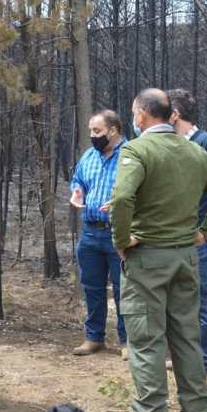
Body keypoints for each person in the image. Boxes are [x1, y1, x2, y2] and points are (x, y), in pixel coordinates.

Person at [110, 89, 207, 412]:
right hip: (185, 257)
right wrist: (203, 231)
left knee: (146, 342)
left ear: (141, 116)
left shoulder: (137, 150)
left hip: (147, 258)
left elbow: (121, 199)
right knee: (186, 338)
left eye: (134, 113)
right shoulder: (194, 150)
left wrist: (121, 239)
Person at [167, 88, 207, 387]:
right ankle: (183, 356)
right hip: (170, 236)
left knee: (203, 299)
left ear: (175, 114)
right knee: (177, 300)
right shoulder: (167, 144)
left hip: (197, 239)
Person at [69, 110, 128, 358]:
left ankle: (128, 342)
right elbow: (77, 180)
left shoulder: (131, 155)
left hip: (119, 234)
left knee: (123, 289)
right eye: (91, 131)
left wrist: (120, 202)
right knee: (91, 287)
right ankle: (94, 337)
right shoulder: (89, 156)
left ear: (113, 130)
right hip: (90, 232)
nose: (93, 136)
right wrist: (76, 191)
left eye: (97, 131)